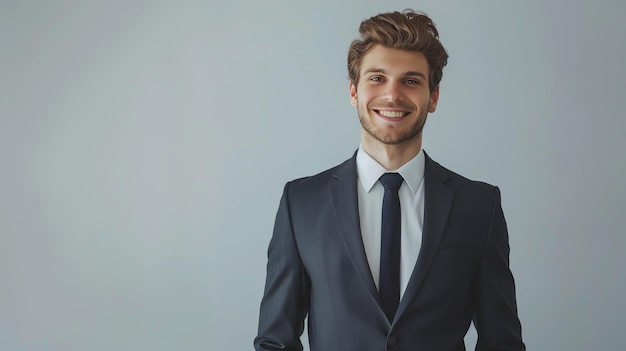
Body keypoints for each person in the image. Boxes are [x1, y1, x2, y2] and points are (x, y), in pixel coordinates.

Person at [254, 10, 525, 351]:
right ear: (354, 92)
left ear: (434, 97)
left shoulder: (479, 206)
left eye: (410, 81)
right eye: (377, 78)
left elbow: (502, 341)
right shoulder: (301, 203)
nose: (393, 95)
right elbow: (275, 340)